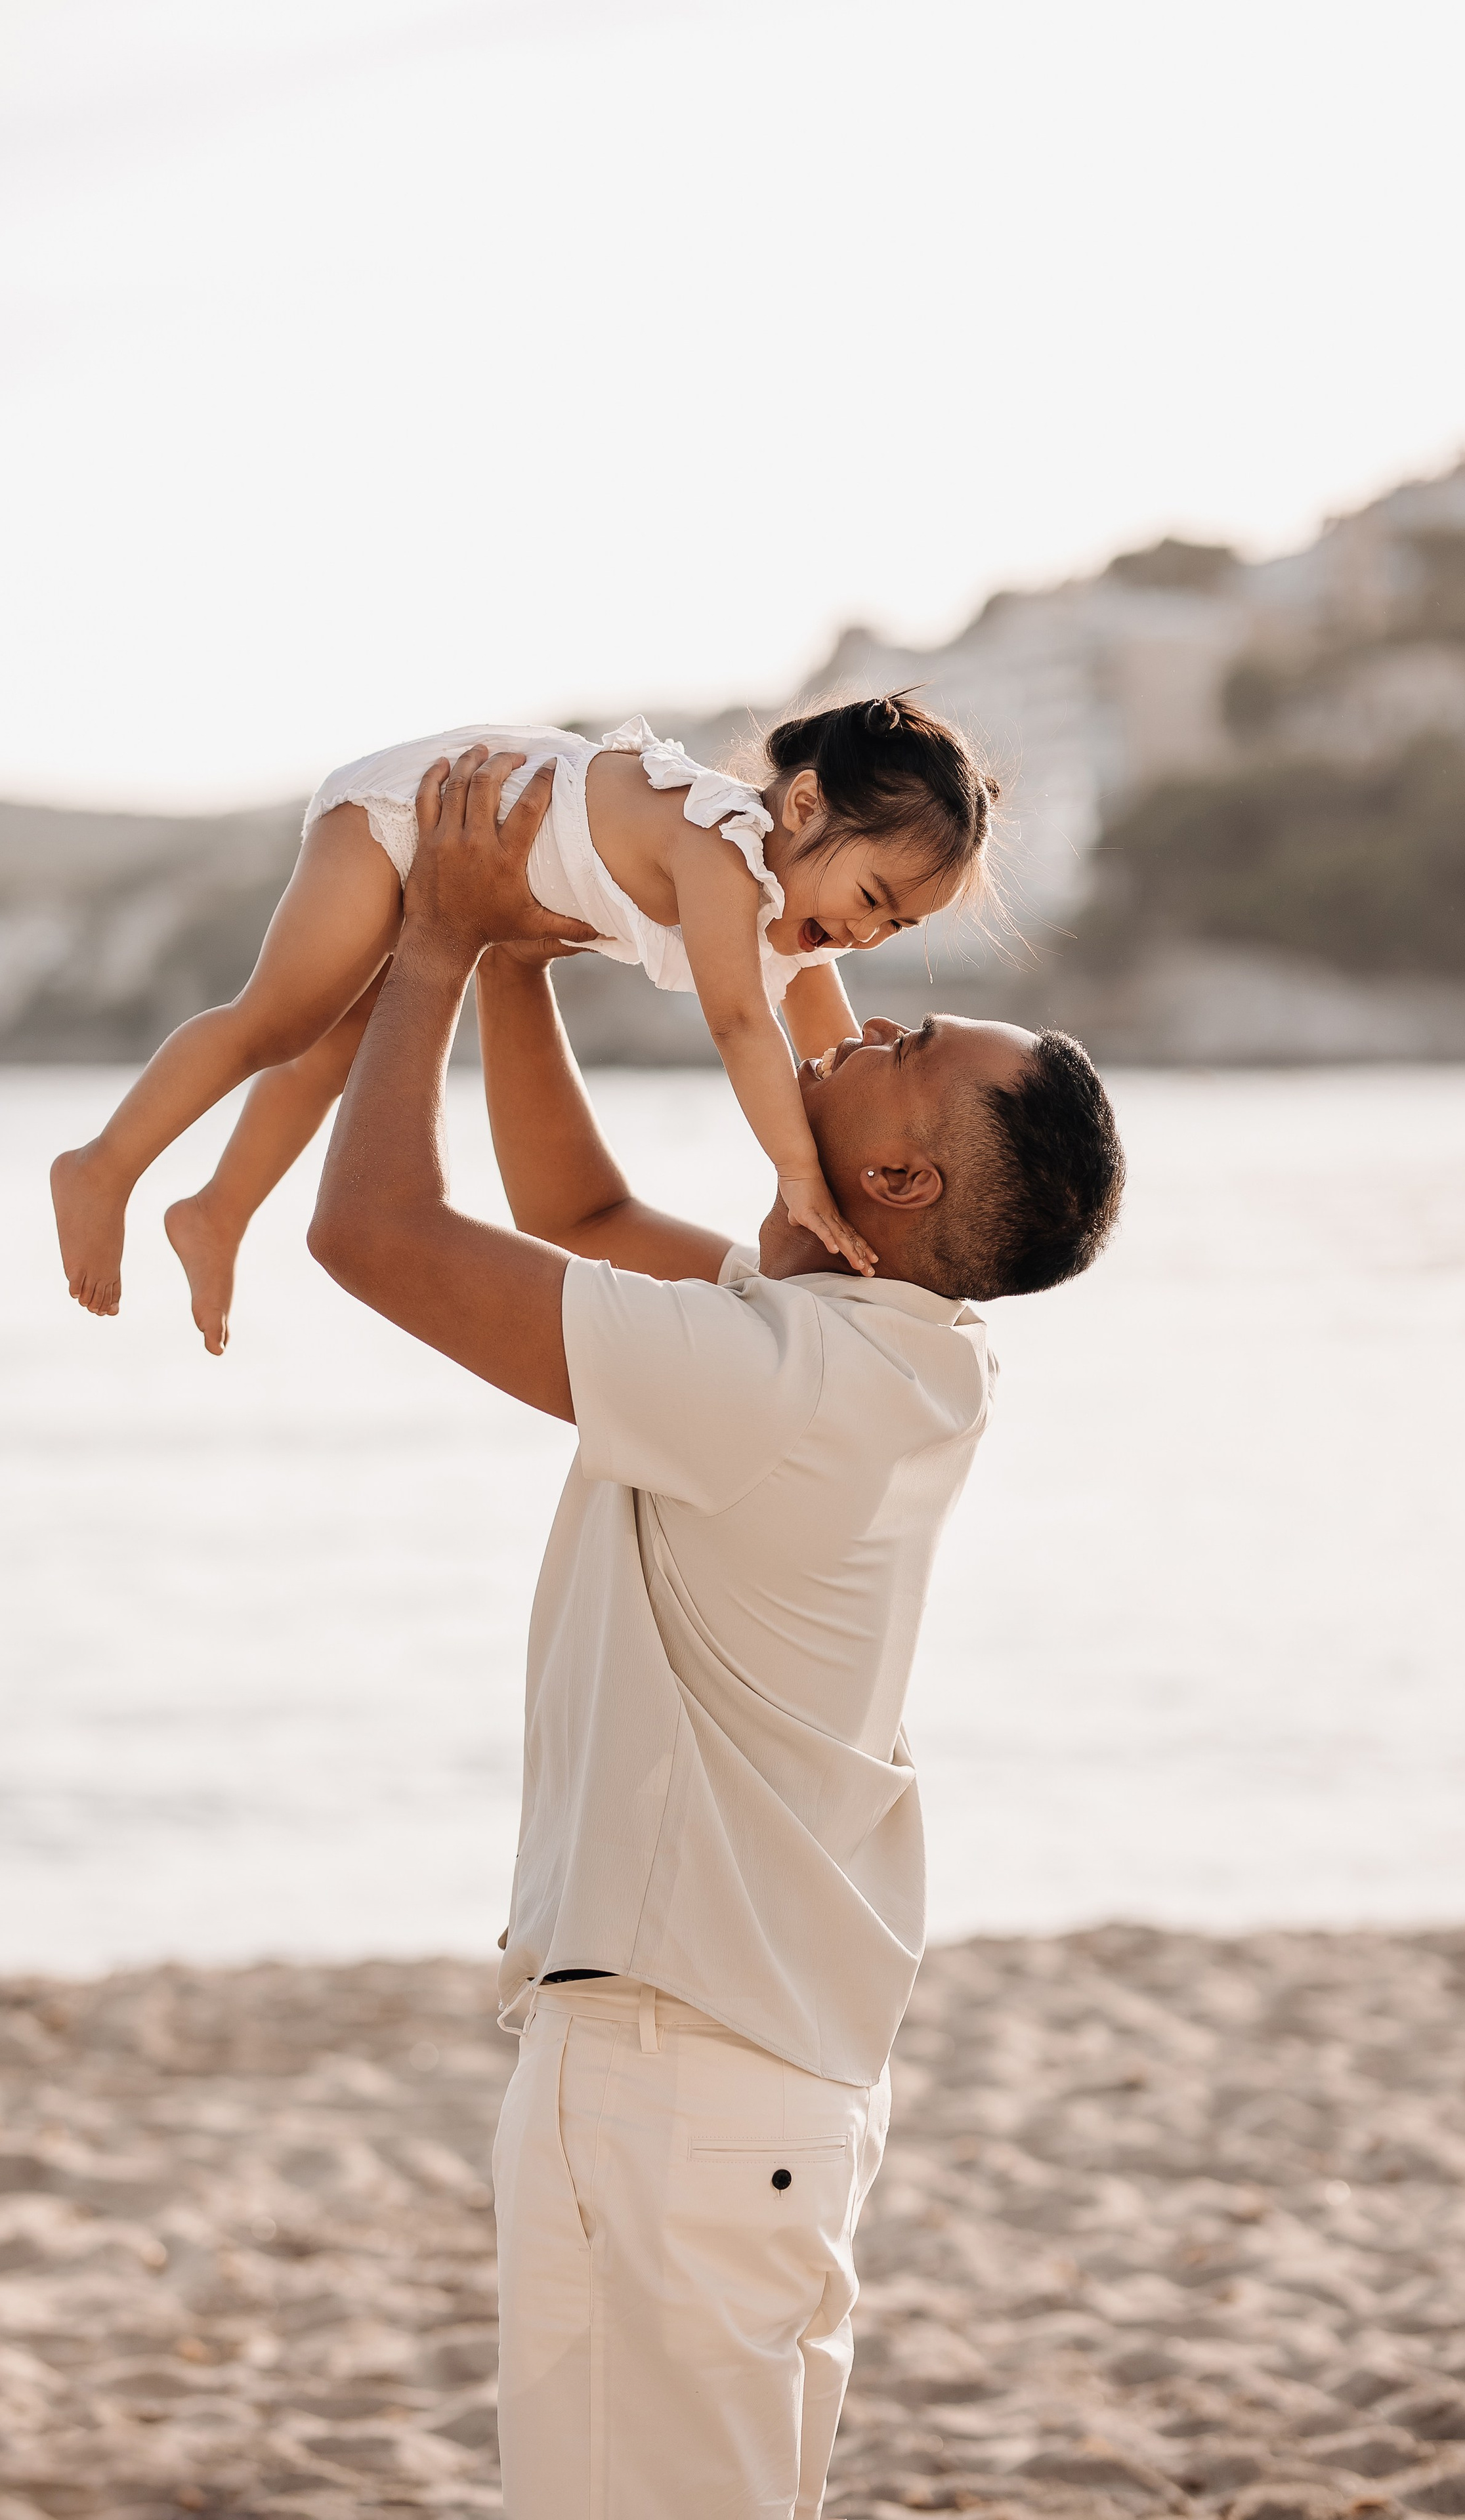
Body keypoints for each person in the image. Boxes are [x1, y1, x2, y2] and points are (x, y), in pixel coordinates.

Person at [306, 746, 1125, 2519]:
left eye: (904, 1058)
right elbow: (583, 1225)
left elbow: (371, 1234)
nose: (854, 1026)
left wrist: (436, 949)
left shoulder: (785, 1384)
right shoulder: (892, 1362)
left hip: (679, 2095)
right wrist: (532, 951)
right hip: (749, 2099)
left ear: (900, 1188)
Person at [49, 696, 998, 1351]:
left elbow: (827, 1064)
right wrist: (795, 1177)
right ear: (802, 806)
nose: (867, 934)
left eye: (897, 926)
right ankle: (103, 1165)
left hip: (472, 842)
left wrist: (858, 1207)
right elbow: (742, 1026)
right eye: (873, 895)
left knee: (339, 1038)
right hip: (415, 813)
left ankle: (218, 1210)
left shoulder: (797, 917)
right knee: (278, 1024)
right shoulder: (723, 850)